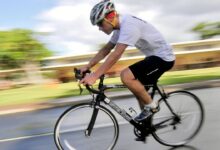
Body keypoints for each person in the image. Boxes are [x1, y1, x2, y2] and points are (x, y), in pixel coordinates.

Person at [79, 0, 175, 123]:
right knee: (138, 90)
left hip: (164, 58)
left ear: (110, 17)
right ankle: (146, 125)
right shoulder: (119, 28)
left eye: (100, 24)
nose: (99, 28)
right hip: (152, 57)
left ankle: (152, 106)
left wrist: (95, 76)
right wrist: (88, 66)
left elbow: (116, 54)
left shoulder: (129, 26)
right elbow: (106, 49)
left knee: (126, 76)